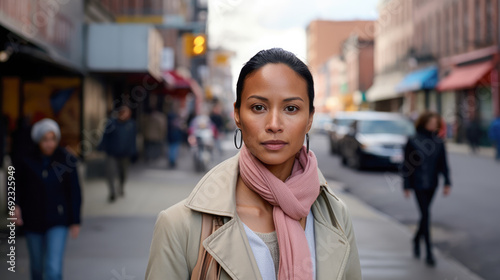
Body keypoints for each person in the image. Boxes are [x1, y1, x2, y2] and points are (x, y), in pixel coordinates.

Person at [146, 48, 361, 279]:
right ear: (237, 114)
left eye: (291, 108)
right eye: (259, 107)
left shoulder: (336, 216)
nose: (274, 124)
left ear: (309, 119)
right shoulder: (181, 226)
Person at [15, 118, 82, 280]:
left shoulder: (66, 160)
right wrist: (14, 206)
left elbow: (74, 191)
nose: (49, 144)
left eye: (53, 139)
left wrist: (75, 220)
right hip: (33, 220)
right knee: (37, 268)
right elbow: (15, 186)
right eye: (45, 139)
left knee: (53, 269)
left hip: (58, 220)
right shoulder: (25, 160)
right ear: (38, 140)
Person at [402, 111, 452, 267]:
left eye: (436, 123)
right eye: (431, 122)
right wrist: (406, 185)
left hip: (432, 184)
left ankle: (416, 239)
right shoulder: (412, 141)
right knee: (426, 214)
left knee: (424, 215)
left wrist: (447, 182)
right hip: (417, 183)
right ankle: (429, 252)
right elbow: (406, 166)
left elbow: (443, 164)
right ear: (424, 122)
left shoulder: (439, 142)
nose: (433, 125)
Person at [98, 105, 137, 202]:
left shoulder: (131, 124)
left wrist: (134, 151)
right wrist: (101, 147)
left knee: (123, 173)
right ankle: (112, 192)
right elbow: (105, 136)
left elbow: (133, 139)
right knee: (110, 172)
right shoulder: (111, 123)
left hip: (125, 153)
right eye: (122, 113)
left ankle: (121, 187)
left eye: (127, 113)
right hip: (112, 153)